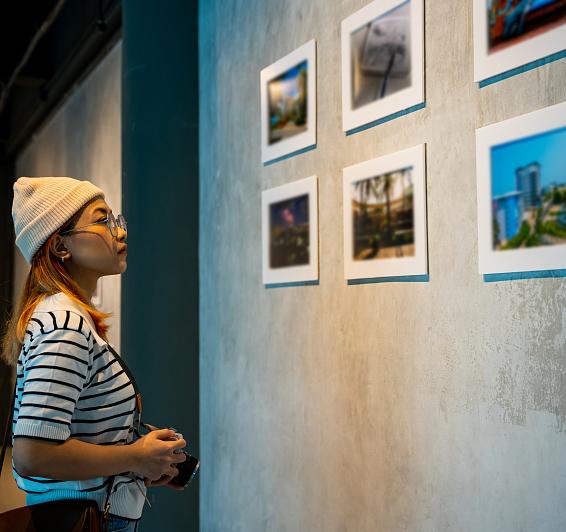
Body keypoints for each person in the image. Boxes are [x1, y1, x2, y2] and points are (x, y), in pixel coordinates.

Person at [1, 176, 188, 532]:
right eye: (103, 220)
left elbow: (75, 432)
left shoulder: (69, 317)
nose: (119, 232)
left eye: (115, 220)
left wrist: (140, 462)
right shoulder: (64, 325)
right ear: (60, 246)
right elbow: (32, 453)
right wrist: (136, 456)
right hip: (84, 520)